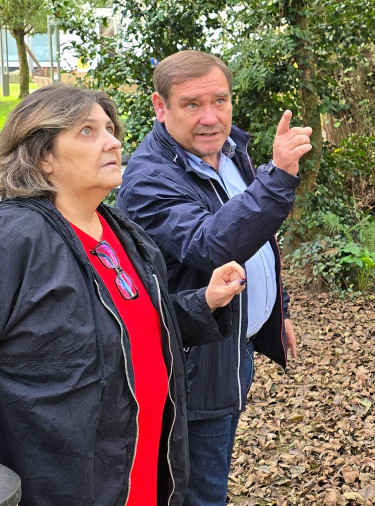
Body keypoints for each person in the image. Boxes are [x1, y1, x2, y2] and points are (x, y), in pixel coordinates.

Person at [0, 84, 248, 505]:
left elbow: (134, 328)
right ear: (43, 156)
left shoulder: (123, 233)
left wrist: (203, 302)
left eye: (110, 129)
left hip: (145, 470)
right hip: (64, 484)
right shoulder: (15, 239)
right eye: (86, 131)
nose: (113, 141)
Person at [116, 50, 313, 505]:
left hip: (233, 348)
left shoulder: (228, 151)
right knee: (199, 491)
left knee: (215, 469)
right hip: (192, 365)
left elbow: (258, 239)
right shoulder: (148, 179)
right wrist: (279, 177)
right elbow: (211, 244)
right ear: (160, 107)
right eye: (192, 104)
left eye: (219, 101)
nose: (210, 118)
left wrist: (275, 313)